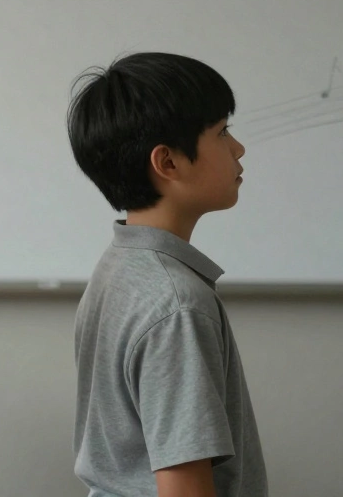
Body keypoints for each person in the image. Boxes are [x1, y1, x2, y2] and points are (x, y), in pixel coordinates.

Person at [67, 52, 267, 497]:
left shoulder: (118, 267)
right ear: (169, 163)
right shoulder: (177, 303)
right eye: (222, 133)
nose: (238, 148)